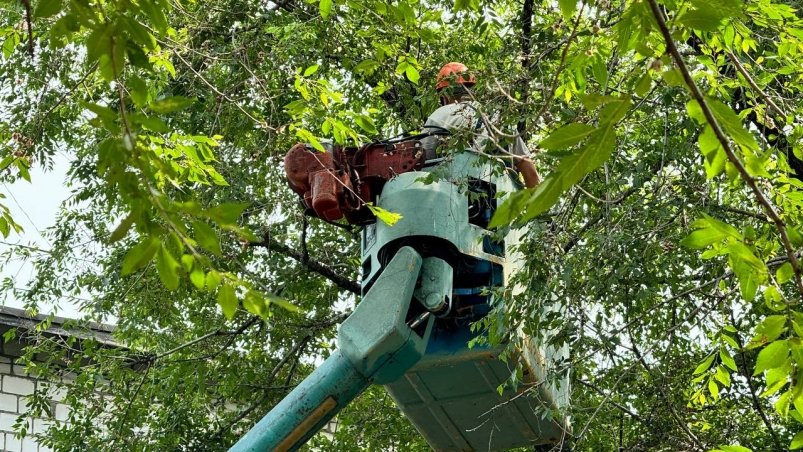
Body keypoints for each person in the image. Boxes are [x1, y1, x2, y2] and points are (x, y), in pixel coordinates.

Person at [420, 62, 541, 189]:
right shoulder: (499, 118)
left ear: (443, 96)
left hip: (456, 200)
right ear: (472, 90)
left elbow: (421, 164)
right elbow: (530, 171)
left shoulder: (439, 116)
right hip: (503, 202)